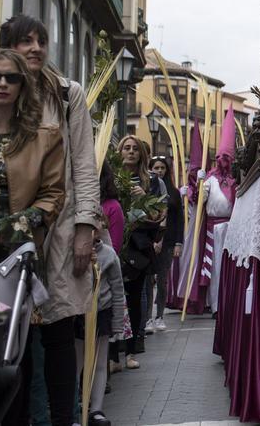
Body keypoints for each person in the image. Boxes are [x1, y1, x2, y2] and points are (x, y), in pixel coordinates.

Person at [0, 14, 102, 425]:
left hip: (58, 230)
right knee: (10, 337)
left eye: (41, 40)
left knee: (59, 331)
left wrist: (84, 227)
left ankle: (64, 419)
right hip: (8, 231)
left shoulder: (65, 93)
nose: (36, 48)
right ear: (8, 46)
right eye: (26, 41)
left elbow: (83, 163)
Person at [0, 49, 66, 424]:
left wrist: (6, 228)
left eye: (12, 77)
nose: (2, 84)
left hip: (14, 259)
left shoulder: (46, 136)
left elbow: (54, 196)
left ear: (24, 85)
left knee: (11, 355)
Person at [173, 110, 236, 315]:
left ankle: (230, 304)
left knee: (231, 269)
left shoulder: (238, 180)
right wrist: (196, 184)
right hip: (212, 230)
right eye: (221, 156)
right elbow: (198, 200)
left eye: (228, 156)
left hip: (233, 228)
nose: (224, 160)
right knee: (215, 268)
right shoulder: (209, 179)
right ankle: (216, 305)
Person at [114, 135, 165, 365]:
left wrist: (145, 198)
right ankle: (113, 354)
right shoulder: (112, 177)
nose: (131, 152)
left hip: (139, 245)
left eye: (135, 148)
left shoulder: (152, 181)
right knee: (115, 299)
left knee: (135, 297)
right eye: (127, 148)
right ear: (120, 151)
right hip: (115, 242)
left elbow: (159, 215)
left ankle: (132, 351)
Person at [74, 211, 125, 426]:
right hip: (79, 312)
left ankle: (96, 409)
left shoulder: (109, 255)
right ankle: (73, 407)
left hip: (101, 312)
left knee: (99, 362)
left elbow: (117, 289)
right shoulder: (74, 253)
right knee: (77, 362)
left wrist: (117, 322)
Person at [145, 156, 182, 333]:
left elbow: (179, 219)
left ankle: (159, 316)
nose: (159, 171)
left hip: (167, 242)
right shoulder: (146, 189)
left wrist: (178, 243)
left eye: (162, 168)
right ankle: (147, 318)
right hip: (148, 241)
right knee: (147, 280)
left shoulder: (174, 193)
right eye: (156, 167)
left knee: (162, 280)